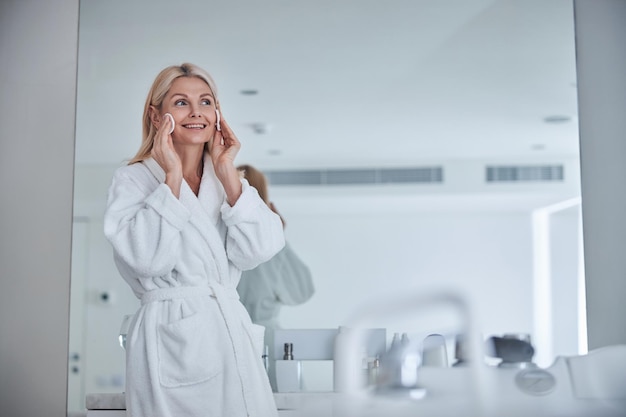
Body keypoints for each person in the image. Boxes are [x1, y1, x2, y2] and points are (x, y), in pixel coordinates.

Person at [103, 63, 285, 417]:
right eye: (181, 102)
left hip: (230, 334)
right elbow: (147, 259)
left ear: (217, 114)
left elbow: (261, 249)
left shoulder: (223, 182)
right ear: (157, 117)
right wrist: (171, 176)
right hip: (172, 339)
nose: (196, 112)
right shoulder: (133, 180)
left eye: (205, 101)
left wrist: (228, 172)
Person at [235, 164, 315, 329]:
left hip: (226, 335)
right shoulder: (272, 247)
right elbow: (302, 293)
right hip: (266, 338)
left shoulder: (219, 233)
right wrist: (278, 237)